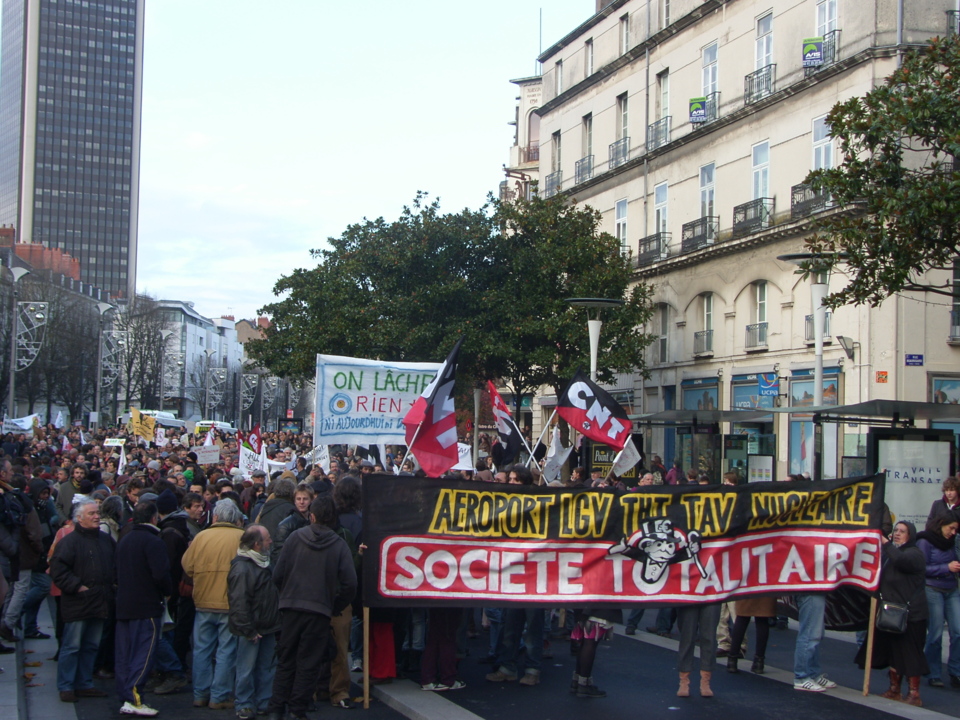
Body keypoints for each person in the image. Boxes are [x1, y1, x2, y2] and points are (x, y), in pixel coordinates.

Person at [266, 494, 357, 720]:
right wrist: (335, 605)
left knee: (286, 660)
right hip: (319, 609)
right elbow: (350, 583)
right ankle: (298, 709)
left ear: (312, 515)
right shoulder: (338, 544)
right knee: (309, 663)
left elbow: (277, 574)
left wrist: (287, 595)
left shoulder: (295, 538)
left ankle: (277, 708)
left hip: (291, 606)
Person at [49, 498, 116, 703]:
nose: (96, 516)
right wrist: (77, 586)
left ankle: (84, 683)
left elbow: (116, 564)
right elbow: (58, 570)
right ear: (79, 518)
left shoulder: (105, 540)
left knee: (91, 646)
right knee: (72, 646)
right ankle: (66, 685)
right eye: (91, 514)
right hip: (78, 602)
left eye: (97, 513)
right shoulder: (69, 542)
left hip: (100, 601)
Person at [181, 499, 245, 709]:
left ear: (215, 517)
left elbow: (187, 566)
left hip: (203, 599)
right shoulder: (241, 537)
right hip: (229, 601)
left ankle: (200, 693)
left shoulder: (202, 536)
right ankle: (219, 695)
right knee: (226, 650)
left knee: (201, 649)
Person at [856, 521, 928, 706]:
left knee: (911, 653)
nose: (897, 533)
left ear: (910, 535)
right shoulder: (891, 555)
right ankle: (895, 690)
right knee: (894, 652)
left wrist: (886, 543)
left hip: (912, 614)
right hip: (893, 613)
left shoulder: (915, 554)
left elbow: (902, 562)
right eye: (896, 530)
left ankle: (914, 694)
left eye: (902, 531)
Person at [114, 501, 172, 717]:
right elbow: (161, 575)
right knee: (144, 653)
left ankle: (126, 694)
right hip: (147, 605)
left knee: (125, 654)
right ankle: (134, 696)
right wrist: (167, 590)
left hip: (125, 604)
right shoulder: (154, 542)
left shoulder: (125, 539)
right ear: (154, 518)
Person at [228, 525, 280, 720]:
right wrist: (248, 629)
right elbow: (239, 603)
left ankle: (263, 702)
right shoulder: (243, 568)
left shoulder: (263, 562)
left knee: (266, 667)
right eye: (267, 538)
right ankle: (244, 704)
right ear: (257, 544)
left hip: (267, 624)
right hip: (252, 628)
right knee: (246, 668)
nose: (271, 541)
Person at [916, 510, 960, 689]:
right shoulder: (925, 541)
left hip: (951, 587)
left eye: (956, 529)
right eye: (951, 528)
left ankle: (955, 671)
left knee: (957, 631)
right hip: (932, 587)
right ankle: (933, 672)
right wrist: (946, 567)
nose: (953, 532)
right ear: (941, 524)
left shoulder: (952, 542)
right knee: (935, 632)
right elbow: (921, 567)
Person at [675, 603, 722, 697]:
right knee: (687, 636)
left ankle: (705, 680)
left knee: (709, 637)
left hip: (711, 594)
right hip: (689, 595)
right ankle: (684, 680)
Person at [726, 593, 776, 674]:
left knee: (742, 617)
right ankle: (759, 662)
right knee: (762, 619)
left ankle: (732, 660)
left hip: (747, 585)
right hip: (765, 585)